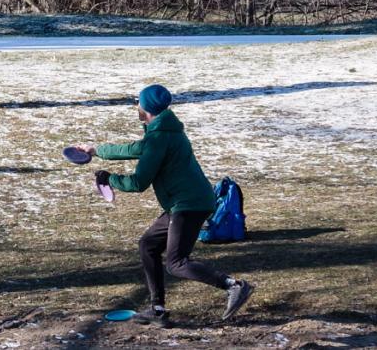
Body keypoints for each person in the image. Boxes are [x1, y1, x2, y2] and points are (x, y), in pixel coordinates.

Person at [74, 85, 253, 328]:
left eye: (138, 103)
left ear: (146, 108)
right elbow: (134, 149)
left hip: (188, 204)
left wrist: (109, 179)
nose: (136, 106)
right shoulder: (164, 132)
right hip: (186, 201)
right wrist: (96, 151)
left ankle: (234, 286)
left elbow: (138, 183)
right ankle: (157, 310)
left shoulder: (159, 138)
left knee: (176, 263)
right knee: (148, 245)